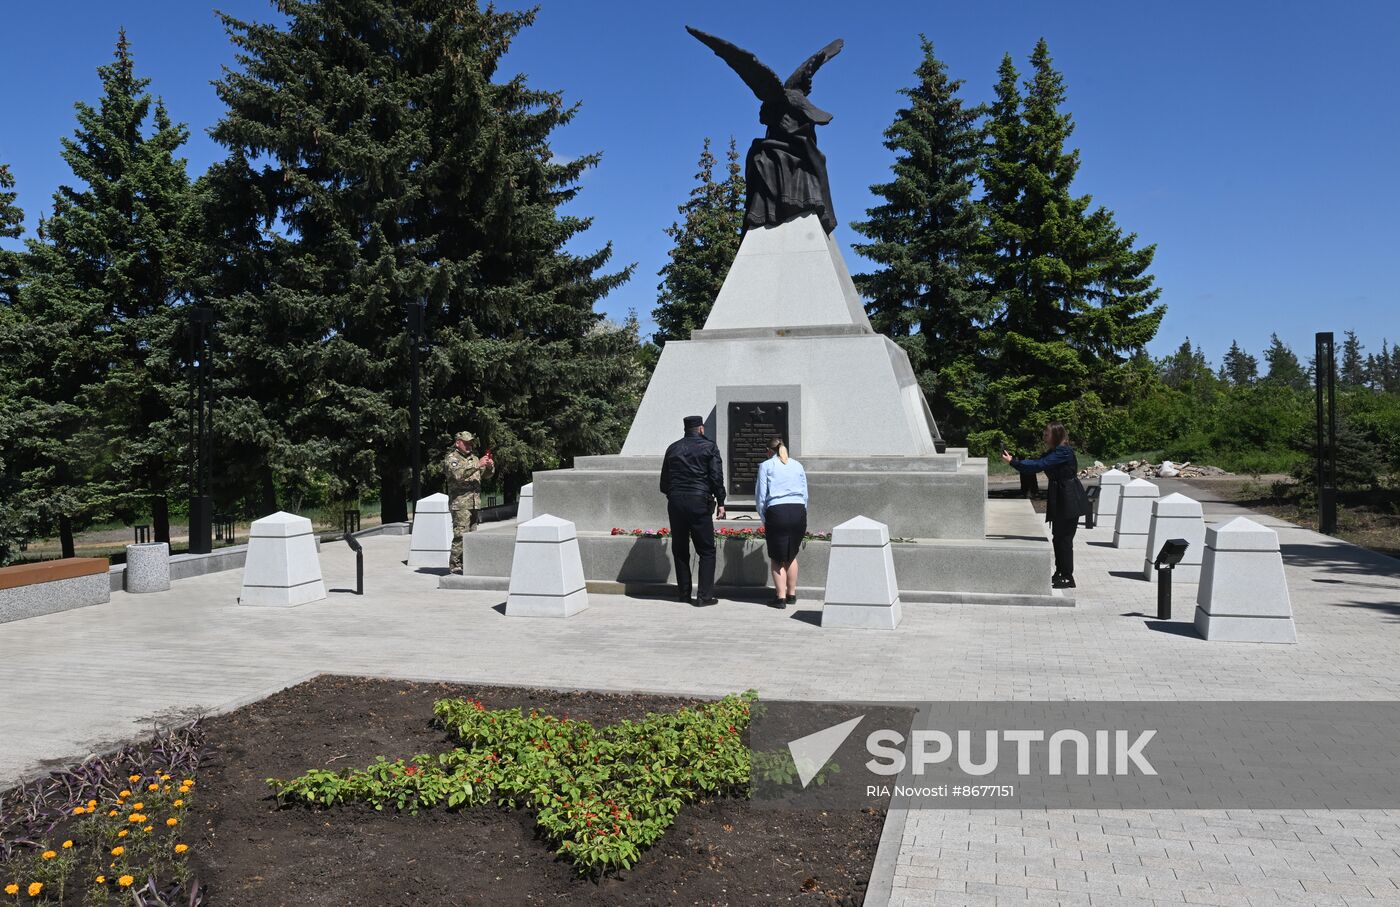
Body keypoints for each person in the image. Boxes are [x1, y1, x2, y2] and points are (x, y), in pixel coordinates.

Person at [1001, 422, 1088, 589]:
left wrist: (1013, 462)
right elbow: (1036, 463)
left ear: (1056, 435)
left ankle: (1067, 576)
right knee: (1058, 537)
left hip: (1069, 498)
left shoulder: (1063, 452)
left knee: (1064, 539)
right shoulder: (1054, 452)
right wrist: (1016, 461)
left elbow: (1039, 466)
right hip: (1061, 497)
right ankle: (1060, 572)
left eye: (1047, 434)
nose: (1044, 436)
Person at [660, 415, 726, 606]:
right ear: (701, 429)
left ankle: (683, 594)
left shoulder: (672, 448)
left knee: (680, 549)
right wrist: (720, 500)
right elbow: (715, 477)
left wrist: (676, 495)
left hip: (676, 502)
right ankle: (704, 596)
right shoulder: (710, 447)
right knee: (706, 550)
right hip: (699, 501)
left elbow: (664, 483)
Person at [755, 437, 808, 608]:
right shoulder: (797, 465)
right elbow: (805, 493)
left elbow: (761, 496)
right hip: (798, 510)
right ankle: (792, 594)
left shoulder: (766, 466)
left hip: (777, 512)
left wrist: (764, 516)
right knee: (791, 555)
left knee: (777, 558)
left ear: (769, 451)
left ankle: (780, 598)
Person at [445, 430, 494, 574]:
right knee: (460, 535)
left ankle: (469, 563)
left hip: (474, 503)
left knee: (472, 535)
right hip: (460, 504)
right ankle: (455, 566)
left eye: (470, 443)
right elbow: (458, 475)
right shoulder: (452, 458)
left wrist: (490, 466)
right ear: (458, 443)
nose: (469, 445)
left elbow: (485, 475)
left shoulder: (474, 458)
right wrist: (478, 465)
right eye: (466, 443)